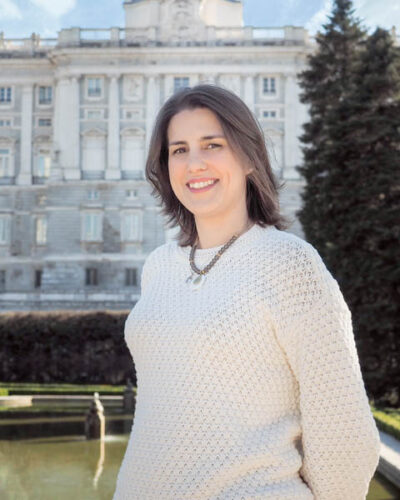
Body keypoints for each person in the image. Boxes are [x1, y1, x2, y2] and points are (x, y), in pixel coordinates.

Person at [113, 84, 381, 499]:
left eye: (212, 145)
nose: (194, 163)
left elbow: (344, 430)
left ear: (249, 158)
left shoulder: (289, 263)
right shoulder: (159, 267)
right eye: (179, 150)